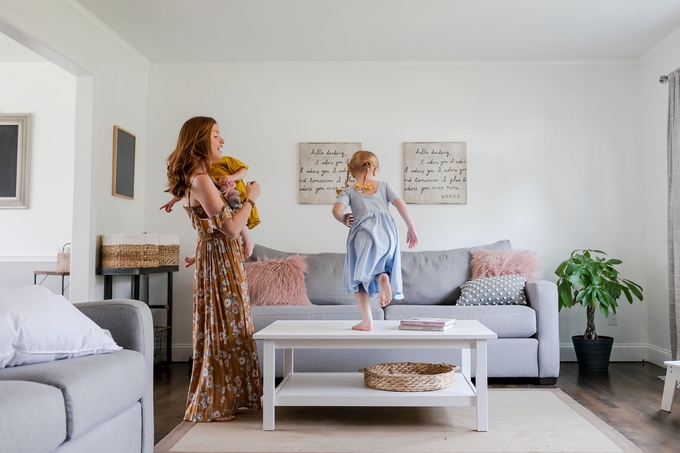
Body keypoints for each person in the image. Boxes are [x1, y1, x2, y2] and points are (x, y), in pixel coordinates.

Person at [165, 116, 262, 422]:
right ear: (200, 140)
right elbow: (231, 228)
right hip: (221, 262)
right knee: (223, 329)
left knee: (227, 327)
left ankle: (227, 397)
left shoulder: (200, 178)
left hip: (219, 258)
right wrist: (253, 197)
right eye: (216, 135)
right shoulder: (200, 179)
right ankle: (215, 401)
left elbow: (212, 228)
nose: (222, 140)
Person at [332, 150, 418, 331]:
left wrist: (343, 219)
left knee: (359, 279)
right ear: (375, 170)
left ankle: (367, 321)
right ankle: (383, 277)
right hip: (388, 233)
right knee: (379, 267)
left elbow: (336, 210)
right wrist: (411, 228)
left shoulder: (350, 190)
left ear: (352, 171)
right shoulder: (384, 186)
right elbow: (400, 204)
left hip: (363, 234)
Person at [160, 155, 260, 260]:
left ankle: (248, 241)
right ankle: (197, 256)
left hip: (232, 196)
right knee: (212, 229)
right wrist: (172, 201)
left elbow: (243, 171)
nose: (222, 141)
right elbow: (185, 191)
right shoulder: (202, 176)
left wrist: (232, 178)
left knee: (232, 220)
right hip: (223, 198)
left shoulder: (225, 161)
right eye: (215, 137)